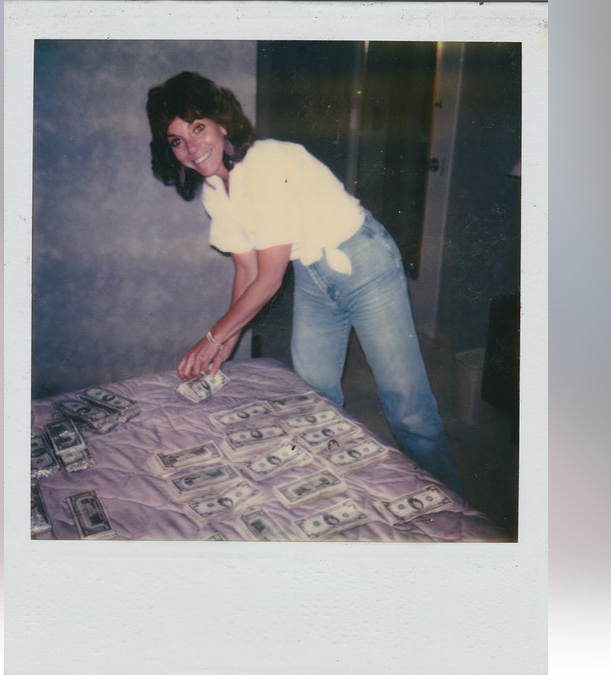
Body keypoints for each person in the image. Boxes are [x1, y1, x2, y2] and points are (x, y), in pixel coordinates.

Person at [145, 71, 463, 495]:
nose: (191, 146)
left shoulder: (267, 163)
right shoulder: (215, 193)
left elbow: (270, 278)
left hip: (364, 262)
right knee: (314, 396)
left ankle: (454, 513)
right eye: (177, 140)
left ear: (222, 123)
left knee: (407, 407)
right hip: (313, 277)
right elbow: (246, 272)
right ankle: (335, 489)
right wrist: (222, 348)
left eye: (198, 127)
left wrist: (211, 339)